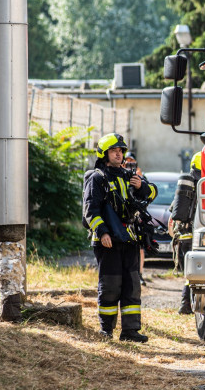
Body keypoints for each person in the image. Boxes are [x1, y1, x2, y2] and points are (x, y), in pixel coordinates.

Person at [82, 133, 157, 342]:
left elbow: (152, 193)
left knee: (132, 285)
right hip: (108, 241)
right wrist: (102, 232)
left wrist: (141, 186)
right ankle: (106, 330)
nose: (119, 154)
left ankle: (130, 331)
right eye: (115, 150)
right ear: (104, 153)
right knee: (110, 286)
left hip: (130, 239)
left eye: (121, 150)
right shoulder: (97, 178)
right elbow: (91, 210)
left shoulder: (128, 175)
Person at [169, 151, 202, 314]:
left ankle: (186, 305)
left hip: (183, 237)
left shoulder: (186, 185)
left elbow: (173, 211)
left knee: (189, 274)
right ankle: (186, 306)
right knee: (194, 274)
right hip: (196, 237)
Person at [123, 151, 149, 287]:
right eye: (127, 162)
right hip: (125, 217)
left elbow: (148, 194)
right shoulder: (119, 176)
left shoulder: (140, 177)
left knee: (140, 247)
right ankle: (128, 274)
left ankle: (139, 274)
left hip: (138, 217)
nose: (129, 165)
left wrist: (140, 179)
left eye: (132, 163)